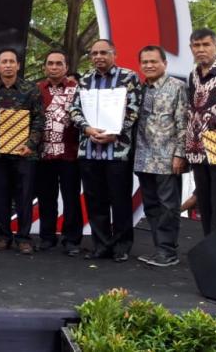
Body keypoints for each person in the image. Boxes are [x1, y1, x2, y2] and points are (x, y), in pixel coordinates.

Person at [68, 38, 141, 262]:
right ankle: (101, 245)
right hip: (89, 150)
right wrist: (87, 128)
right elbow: (74, 109)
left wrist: (115, 132)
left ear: (114, 54)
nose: (98, 57)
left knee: (120, 200)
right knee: (95, 200)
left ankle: (121, 246)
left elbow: (134, 109)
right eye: (94, 53)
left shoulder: (129, 77)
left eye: (103, 52)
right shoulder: (85, 80)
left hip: (117, 151)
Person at [0, 48, 45, 255]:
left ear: (18, 65)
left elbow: (39, 119)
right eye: (4, 61)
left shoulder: (31, 89)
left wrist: (30, 144)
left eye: (12, 61)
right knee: (0, 196)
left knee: (24, 197)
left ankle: (24, 238)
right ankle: (3, 237)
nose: (8, 65)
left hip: (25, 153)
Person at [133, 45, 188, 267]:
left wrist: (180, 155)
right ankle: (160, 249)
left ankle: (168, 252)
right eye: (145, 62)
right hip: (143, 157)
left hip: (167, 158)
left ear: (164, 63)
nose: (149, 65)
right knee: (151, 206)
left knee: (168, 207)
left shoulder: (178, 87)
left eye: (153, 61)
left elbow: (184, 123)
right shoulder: (139, 89)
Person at [36, 49, 83, 256]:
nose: (54, 67)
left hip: (70, 153)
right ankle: (47, 237)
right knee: (46, 198)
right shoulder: (36, 89)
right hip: (43, 153)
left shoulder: (77, 89)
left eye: (58, 64)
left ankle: (71, 240)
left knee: (71, 198)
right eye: (50, 63)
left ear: (66, 67)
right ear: (45, 67)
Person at [185, 28, 216, 235]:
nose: (201, 49)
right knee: (204, 202)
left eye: (206, 45)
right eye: (196, 45)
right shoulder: (193, 76)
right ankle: (210, 246)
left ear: (215, 45)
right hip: (196, 145)